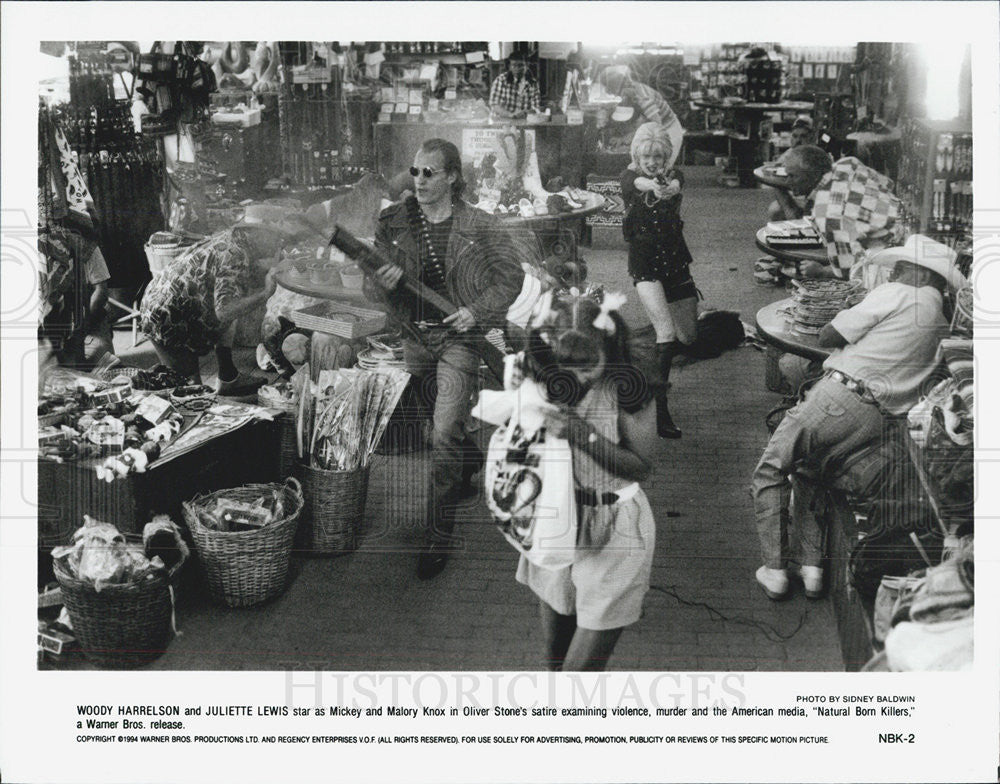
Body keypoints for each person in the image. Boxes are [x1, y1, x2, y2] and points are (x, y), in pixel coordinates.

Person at [751, 235, 964, 600]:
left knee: (771, 469)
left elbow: (829, 333)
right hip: (877, 417)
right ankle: (812, 568)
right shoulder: (940, 321)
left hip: (840, 396)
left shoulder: (898, 293)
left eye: (901, 266)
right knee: (811, 472)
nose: (894, 271)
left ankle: (774, 569)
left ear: (921, 273)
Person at [372, 138, 524, 579]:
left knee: (440, 436)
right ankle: (469, 459)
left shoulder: (481, 225)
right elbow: (373, 288)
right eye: (415, 171)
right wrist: (383, 281)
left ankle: (438, 534)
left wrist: (475, 311)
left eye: (429, 173)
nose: (417, 180)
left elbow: (509, 278)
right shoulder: (393, 222)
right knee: (437, 424)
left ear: (453, 176)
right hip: (415, 337)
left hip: (459, 340)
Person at [512, 293, 659, 670]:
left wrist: (583, 435)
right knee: (555, 663)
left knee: (578, 677)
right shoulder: (542, 376)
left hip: (615, 529)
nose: (575, 376)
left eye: (586, 364)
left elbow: (641, 466)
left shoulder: (629, 388)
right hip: (558, 522)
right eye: (565, 364)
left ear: (609, 351)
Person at [138, 221, 303, 393]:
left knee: (234, 300)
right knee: (190, 389)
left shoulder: (232, 239)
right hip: (167, 316)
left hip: (164, 300)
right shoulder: (235, 254)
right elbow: (225, 311)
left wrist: (267, 267)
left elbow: (229, 279)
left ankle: (228, 377)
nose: (278, 244)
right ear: (258, 233)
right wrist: (265, 293)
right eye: (276, 237)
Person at [620, 122, 697, 439]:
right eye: (647, 156)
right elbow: (636, 182)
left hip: (677, 261)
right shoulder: (629, 177)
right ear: (637, 153)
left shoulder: (675, 175)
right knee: (665, 333)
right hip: (646, 263)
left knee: (688, 337)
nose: (652, 162)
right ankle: (659, 408)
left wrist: (668, 185)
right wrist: (652, 185)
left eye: (658, 156)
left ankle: (642, 359)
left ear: (666, 156)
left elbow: (677, 184)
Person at [39, 223, 113, 369]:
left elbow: (101, 291)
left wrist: (83, 324)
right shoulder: (40, 249)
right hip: (53, 321)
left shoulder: (86, 247)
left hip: (90, 318)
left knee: (104, 364)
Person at [598, 65, 685, 163]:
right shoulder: (630, 91)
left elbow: (657, 126)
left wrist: (627, 138)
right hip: (654, 129)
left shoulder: (643, 97)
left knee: (660, 168)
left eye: (615, 92)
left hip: (668, 131)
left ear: (622, 86)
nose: (616, 96)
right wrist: (623, 139)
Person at [767, 117, 816, 221]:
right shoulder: (786, 157)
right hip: (794, 200)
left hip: (816, 199)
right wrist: (787, 208)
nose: (798, 140)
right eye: (795, 136)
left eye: (803, 136)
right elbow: (777, 184)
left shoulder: (818, 155)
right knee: (775, 210)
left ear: (812, 137)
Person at [488, 50, 541, 118]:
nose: (517, 69)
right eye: (514, 65)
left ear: (527, 65)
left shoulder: (533, 83)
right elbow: (494, 105)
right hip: (500, 123)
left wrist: (525, 113)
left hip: (522, 123)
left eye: (521, 65)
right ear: (509, 66)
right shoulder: (500, 80)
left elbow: (536, 107)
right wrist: (510, 115)